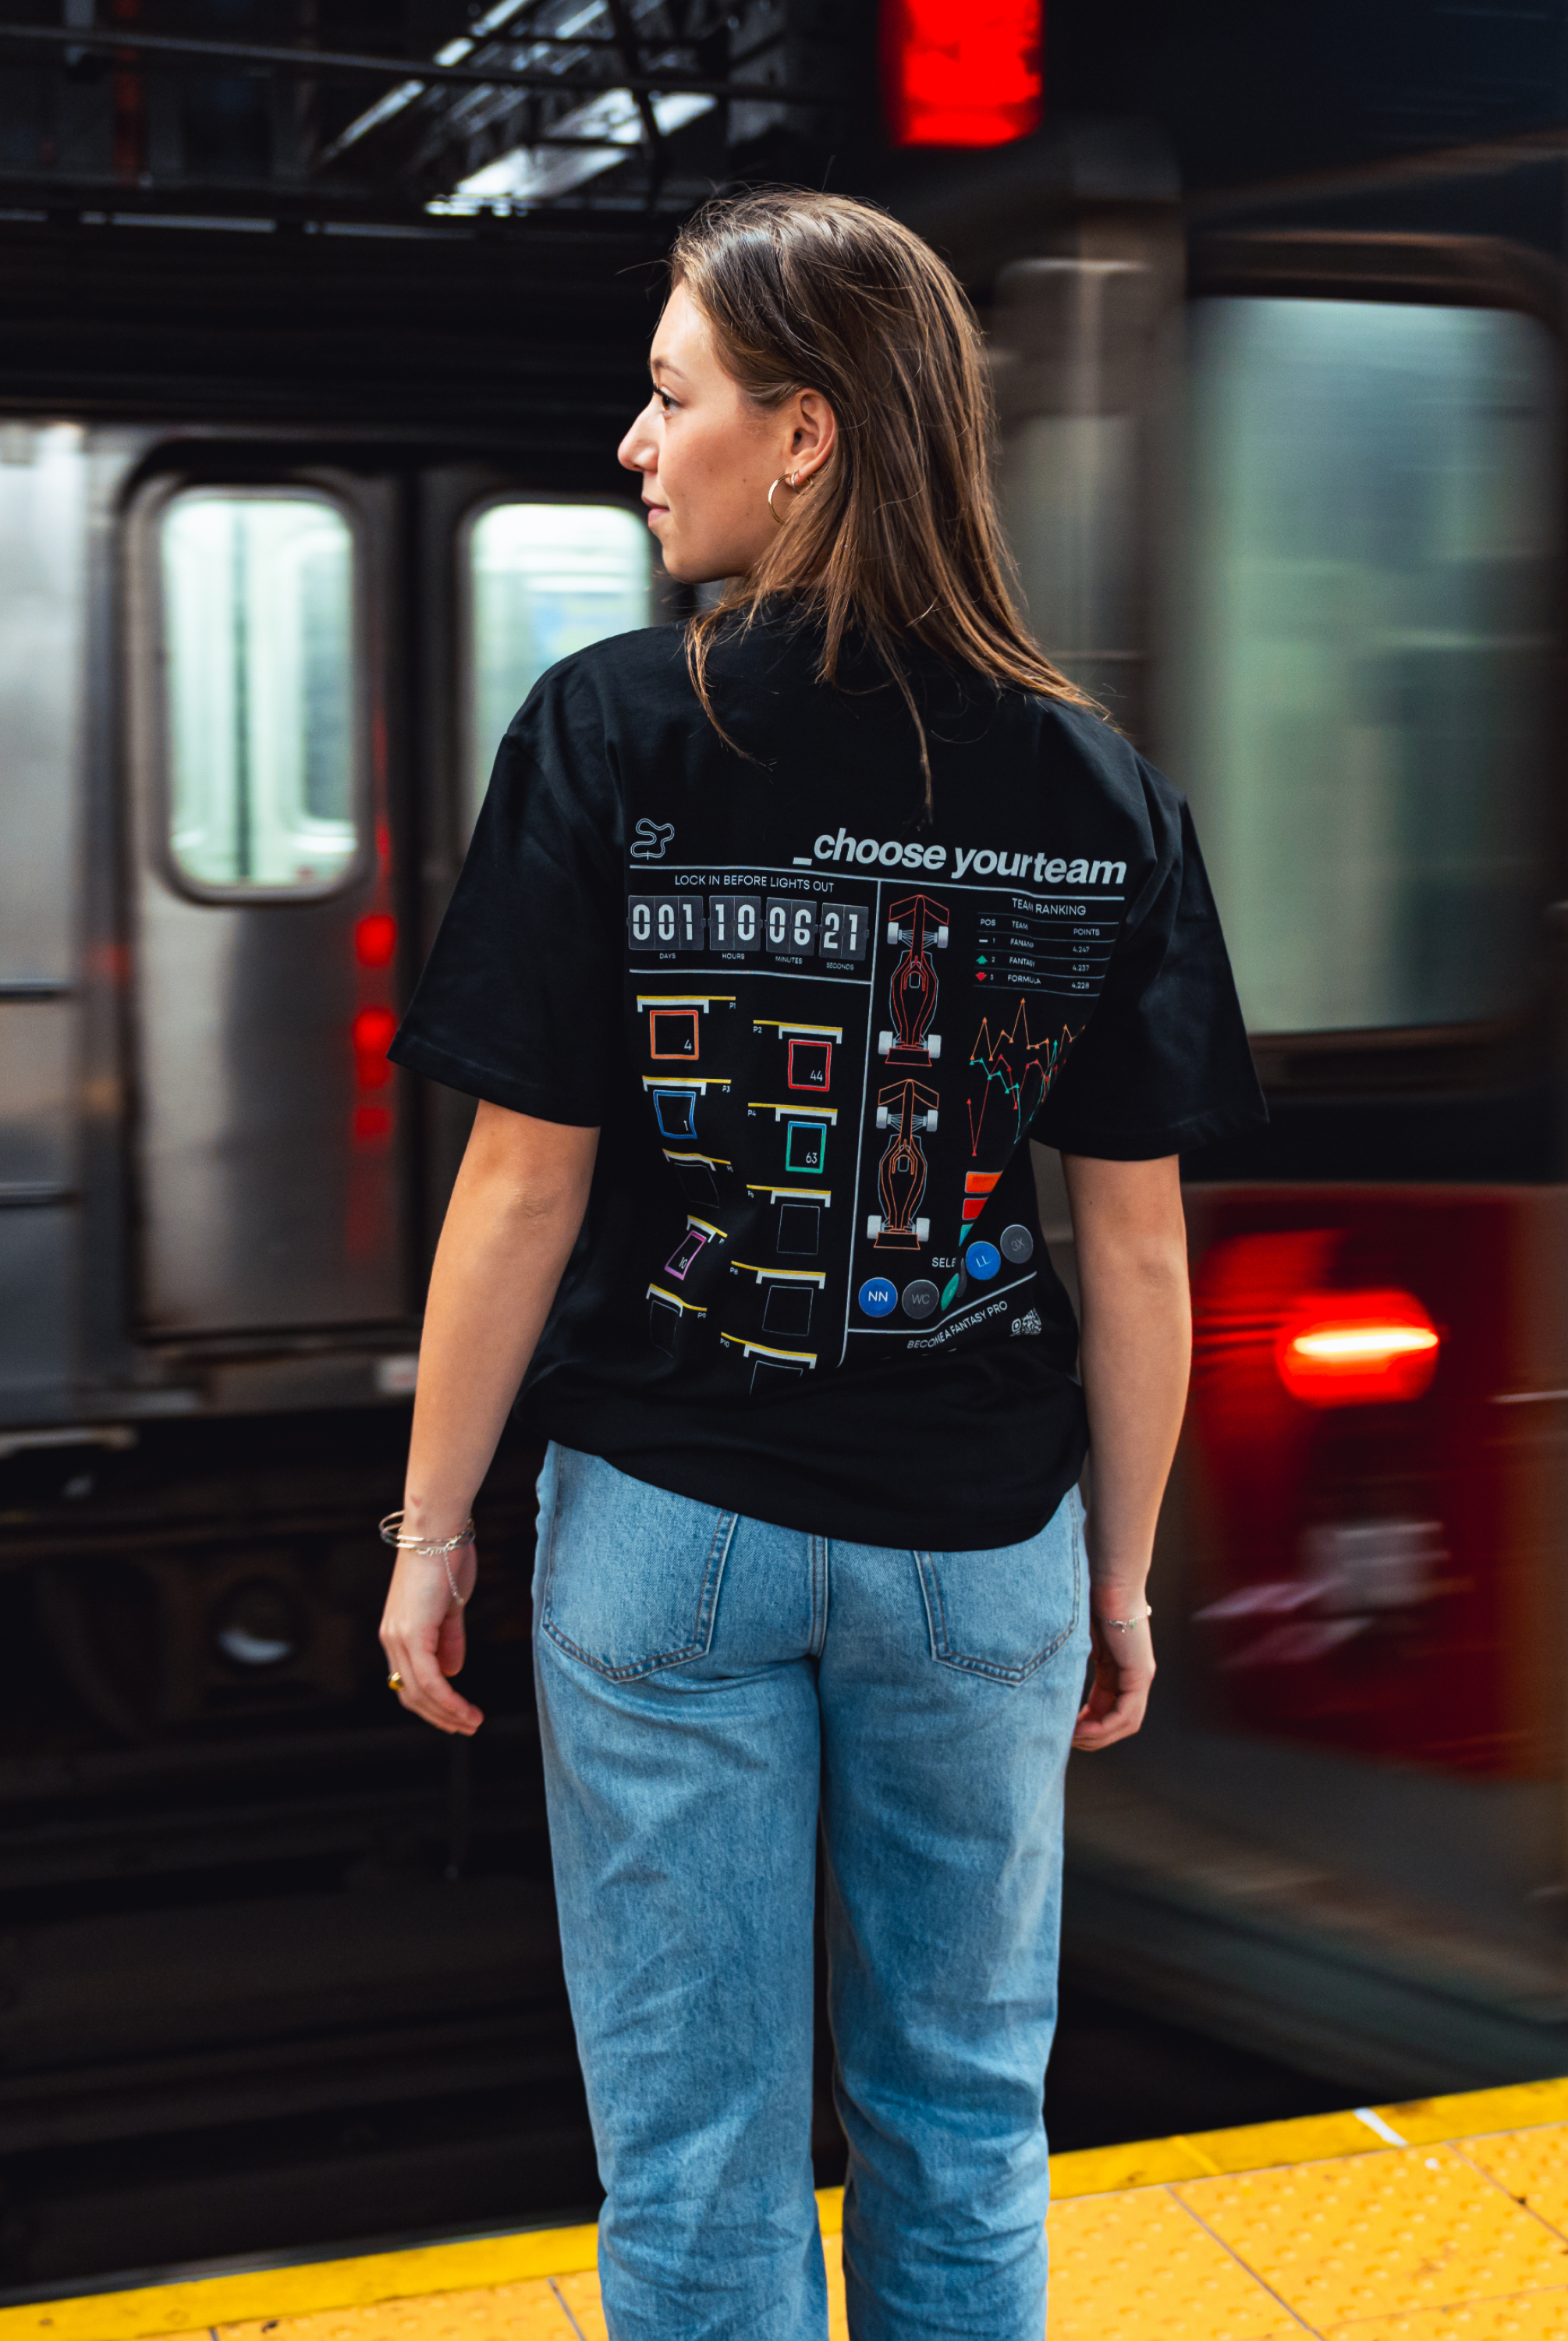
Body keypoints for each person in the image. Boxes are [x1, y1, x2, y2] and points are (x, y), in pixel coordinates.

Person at [379, 190, 1264, 2341]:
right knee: (963, 2116)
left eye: (673, 395)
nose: (632, 441)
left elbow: (521, 1190)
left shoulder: (610, 734)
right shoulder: (1101, 792)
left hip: (669, 1536)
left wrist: (428, 1529)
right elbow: (1134, 1249)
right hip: (983, 1553)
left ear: (804, 436)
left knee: (697, 2142)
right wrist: (1117, 1578)